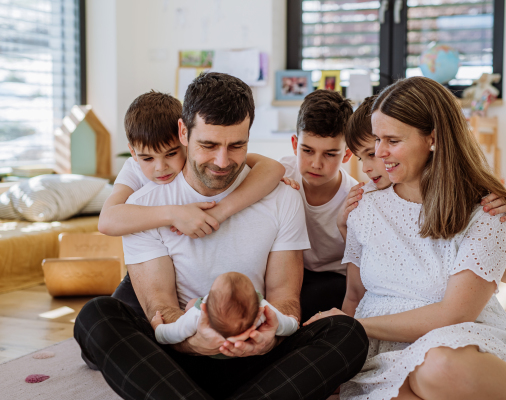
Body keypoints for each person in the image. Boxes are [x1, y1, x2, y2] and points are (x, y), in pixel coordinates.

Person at [74, 72, 368, 400]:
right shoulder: (144, 208)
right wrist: (194, 340)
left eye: (236, 145)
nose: (222, 161)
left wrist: (269, 336)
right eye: (209, 145)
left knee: (347, 333)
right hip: (179, 357)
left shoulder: (282, 196)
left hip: (258, 355)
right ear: (183, 132)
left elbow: (285, 298)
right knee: (96, 317)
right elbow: (162, 309)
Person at [306, 77, 506, 400]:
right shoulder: (364, 208)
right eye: (376, 140)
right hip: (381, 353)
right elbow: (356, 293)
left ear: (432, 138)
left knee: (438, 366)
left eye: (392, 140)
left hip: (455, 343)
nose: (379, 153)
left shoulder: (484, 209)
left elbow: (454, 315)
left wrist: (355, 326)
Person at [97, 90, 288, 317]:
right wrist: (174, 214)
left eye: (171, 154)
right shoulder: (133, 170)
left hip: (178, 270)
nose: (160, 168)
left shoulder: (205, 157)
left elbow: (273, 168)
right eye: (147, 158)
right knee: (109, 316)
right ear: (133, 153)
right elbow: (108, 221)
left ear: (185, 140)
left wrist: (219, 212)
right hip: (145, 263)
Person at [339, 94, 506, 283]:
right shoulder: (368, 200)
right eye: (361, 158)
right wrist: (345, 226)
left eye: (372, 152)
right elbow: (366, 272)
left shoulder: (476, 202)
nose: (365, 168)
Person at [279, 89, 357, 322]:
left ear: (347, 154)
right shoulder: (282, 172)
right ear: (295, 144)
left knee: (315, 298)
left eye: (330, 154)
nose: (316, 163)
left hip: (334, 277)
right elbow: (249, 164)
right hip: (291, 269)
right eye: (307, 150)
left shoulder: (353, 200)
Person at [151, 271, 299, 346]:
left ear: (206, 306)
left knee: (191, 304)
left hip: (206, 357)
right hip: (249, 353)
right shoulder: (263, 310)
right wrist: (293, 321)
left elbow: (171, 334)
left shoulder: (198, 314)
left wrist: (158, 327)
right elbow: (284, 325)